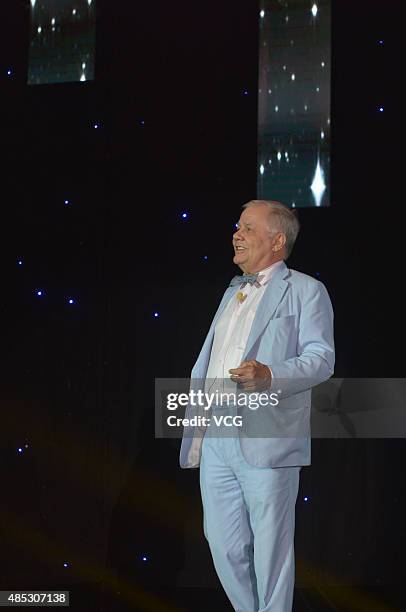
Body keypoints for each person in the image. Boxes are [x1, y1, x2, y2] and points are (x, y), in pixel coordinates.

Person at [180, 200, 335, 612]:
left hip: (267, 435)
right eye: (238, 226)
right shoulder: (232, 292)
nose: (238, 234)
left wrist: (270, 374)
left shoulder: (305, 290)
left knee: (271, 550)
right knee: (223, 544)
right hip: (216, 433)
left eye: (249, 228)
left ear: (277, 240)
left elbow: (321, 358)